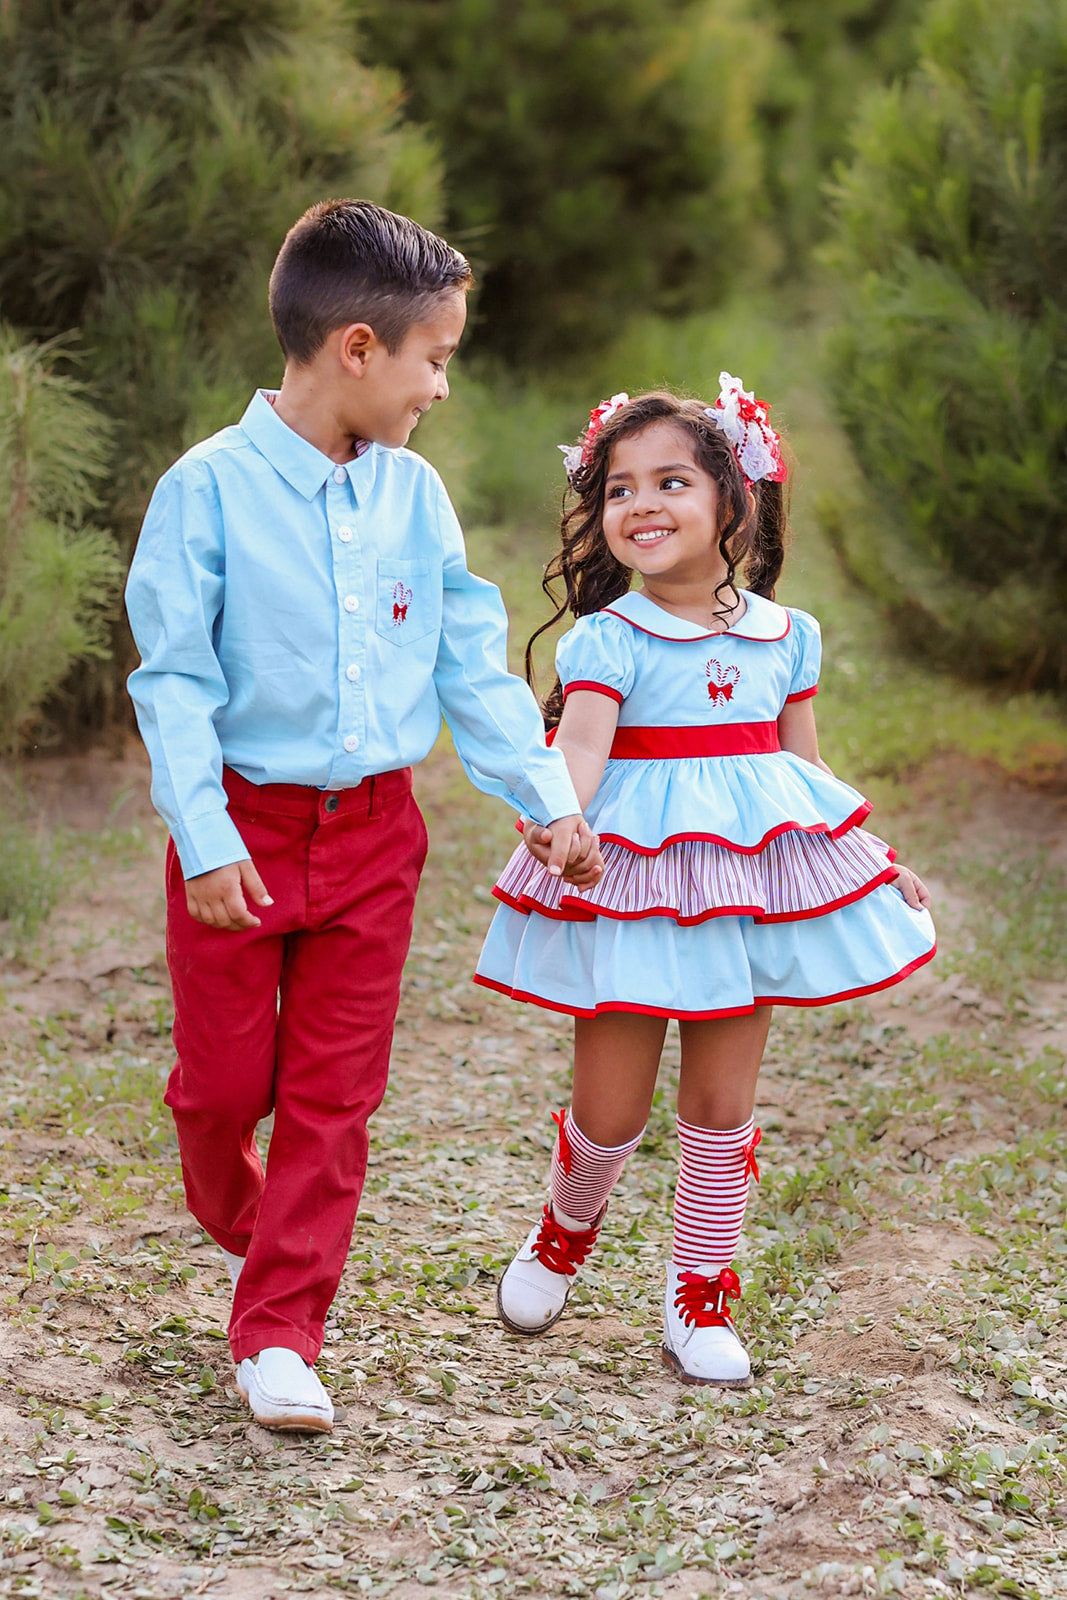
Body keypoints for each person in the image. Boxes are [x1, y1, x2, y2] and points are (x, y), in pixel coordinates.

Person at [125, 199, 599, 1434]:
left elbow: (471, 668)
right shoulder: (206, 492)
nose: (439, 386)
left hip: (377, 837)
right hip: (240, 832)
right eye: (433, 358)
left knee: (335, 1098)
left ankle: (280, 1330)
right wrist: (208, 834)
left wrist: (541, 798)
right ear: (355, 348)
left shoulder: (414, 499)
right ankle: (243, 1190)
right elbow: (173, 681)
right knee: (227, 1086)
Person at [474, 381, 936, 1386]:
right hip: (633, 885)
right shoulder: (609, 638)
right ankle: (563, 1227)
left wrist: (873, 856)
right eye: (618, 488)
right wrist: (564, 823)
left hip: (739, 894)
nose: (639, 504)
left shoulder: (789, 636)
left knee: (721, 1108)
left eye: (670, 481)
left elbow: (803, 769)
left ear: (733, 500)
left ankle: (698, 1294)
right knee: (607, 1111)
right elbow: (581, 752)